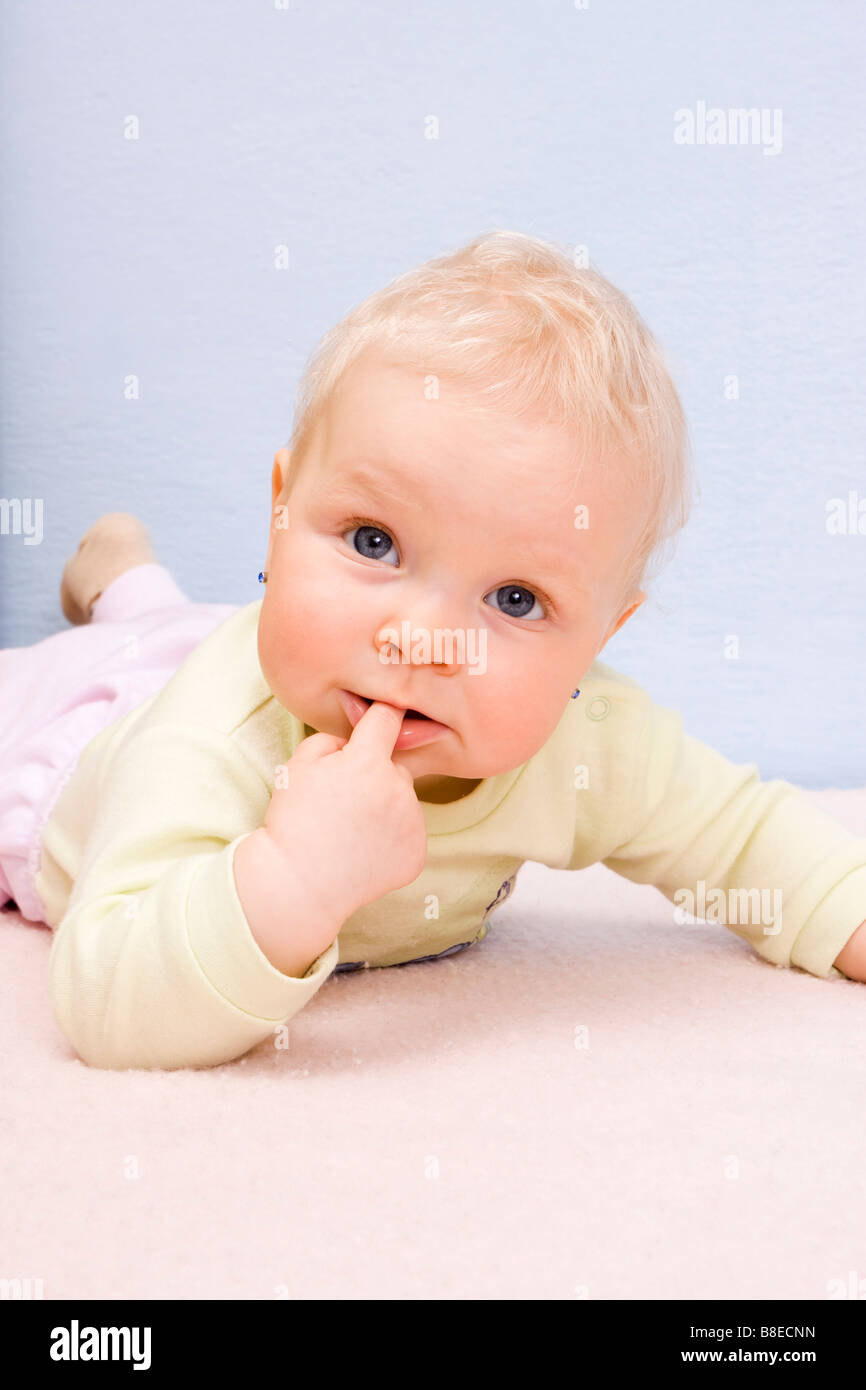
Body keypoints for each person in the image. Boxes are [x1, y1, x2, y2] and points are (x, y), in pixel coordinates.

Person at [3, 229, 865, 1071]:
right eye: (373, 541)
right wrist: (293, 880)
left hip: (243, 644)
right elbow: (109, 1000)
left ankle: (129, 576)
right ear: (281, 510)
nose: (421, 641)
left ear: (600, 641)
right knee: (140, 656)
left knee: (173, 626)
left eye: (516, 600)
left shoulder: (587, 739)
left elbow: (750, 842)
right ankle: (123, 584)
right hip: (95, 725)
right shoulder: (212, 736)